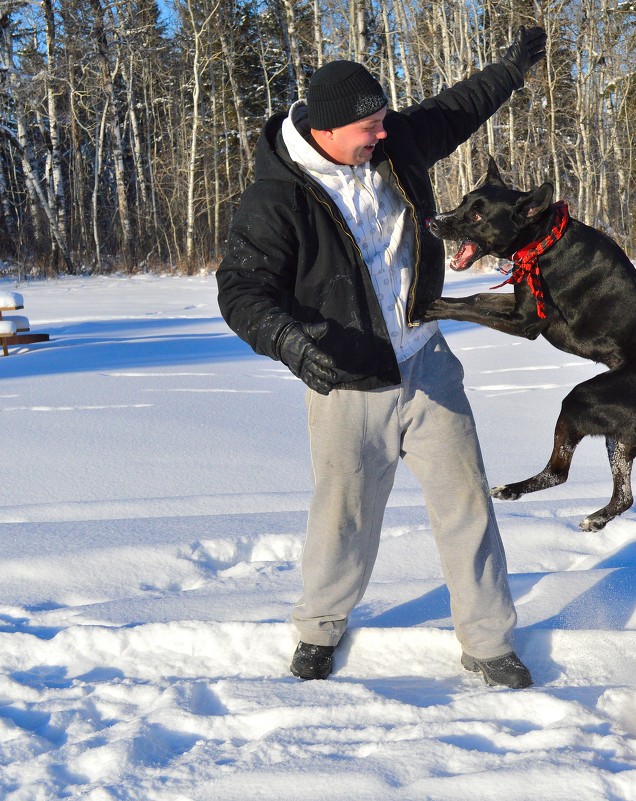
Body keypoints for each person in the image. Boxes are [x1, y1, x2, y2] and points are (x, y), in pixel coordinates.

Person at [217, 27, 547, 689]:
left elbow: (457, 108)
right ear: (330, 130)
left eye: (383, 121)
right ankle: (319, 629)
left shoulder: (393, 146)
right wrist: (292, 345)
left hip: (426, 362)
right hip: (346, 377)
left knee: (465, 506)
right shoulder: (278, 197)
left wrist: (510, 70)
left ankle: (487, 642)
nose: (382, 134)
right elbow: (241, 289)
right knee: (344, 517)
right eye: (369, 126)